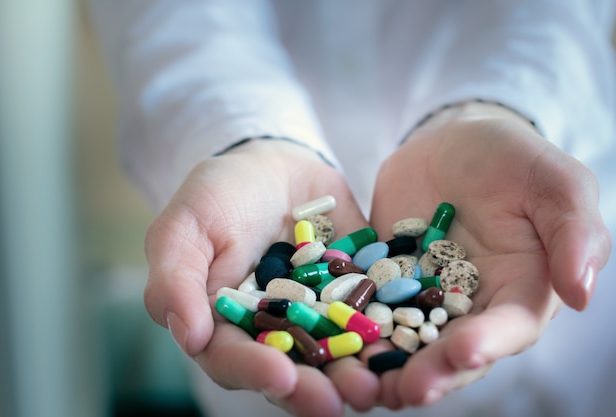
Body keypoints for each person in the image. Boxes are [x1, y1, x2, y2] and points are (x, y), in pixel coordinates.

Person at [88, 1, 616, 416]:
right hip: (280, 384)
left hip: (553, 342)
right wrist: (240, 135)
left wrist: (496, 107)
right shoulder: (321, 284)